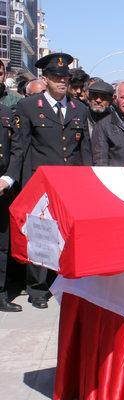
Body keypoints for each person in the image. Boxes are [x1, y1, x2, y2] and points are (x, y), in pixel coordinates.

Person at [0, 52, 91, 309]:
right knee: (42, 237)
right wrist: (14, 179)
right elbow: (21, 147)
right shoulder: (29, 107)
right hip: (39, 182)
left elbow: (83, 149)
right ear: (46, 79)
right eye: (55, 77)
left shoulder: (79, 109)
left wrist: (86, 181)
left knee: (67, 234)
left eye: (65, 77)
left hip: (70, 183)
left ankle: (65, 281)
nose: (61, 81)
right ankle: (37, 289)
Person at [0, 102, 18, 312]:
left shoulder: (6, 112)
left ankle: (1, 292)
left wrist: (7, 178)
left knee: (2, 244)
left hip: (2, 187)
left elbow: (17, 149)